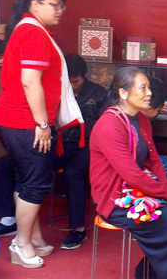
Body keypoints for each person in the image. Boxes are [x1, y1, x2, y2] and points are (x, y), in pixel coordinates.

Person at [89, 67, 167, 279]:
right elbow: (132, 174)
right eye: (143, 88)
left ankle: (152, 274)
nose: (149, 93)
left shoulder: (141, 119)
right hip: (116, 200)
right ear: (123, 93)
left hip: (140, 191)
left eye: (149, 88)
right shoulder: (109, 125)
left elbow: (154, 161)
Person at [0, 0, 68, 268]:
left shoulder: (28, 28)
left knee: (26, 179)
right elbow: (30, 82)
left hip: (12, 119)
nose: (59, 10)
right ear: (35, 5)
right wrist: (43, 123)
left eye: (62, 5)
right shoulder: (33, 32)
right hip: (25, 122)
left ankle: (33, 238)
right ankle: (21, 243)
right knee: (37, 183)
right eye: (54, 5)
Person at [53, 53, 107, 249]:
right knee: (25, 162)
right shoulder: (57, 90)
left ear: (85, 75)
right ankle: (11, 220)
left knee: (72, 173)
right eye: (68, 81)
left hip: (89, 146)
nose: (72, 85)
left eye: (75, 81)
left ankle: (78, 230)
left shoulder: (98, 93)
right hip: (61, 143)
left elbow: (105, 126)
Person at [142, 75, 167, 193]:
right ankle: (166, 199)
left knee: (166, 159)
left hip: (146, 157)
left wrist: (158, 109)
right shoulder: (137, 116)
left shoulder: (138, 114)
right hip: (142, 161)